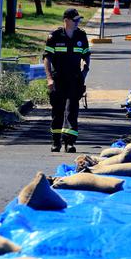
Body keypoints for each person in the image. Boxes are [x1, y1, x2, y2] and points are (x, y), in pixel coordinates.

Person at [43, 8, 90, 153]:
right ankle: (56, 141)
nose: (78, 23)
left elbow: (86, 56)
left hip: (75, 79)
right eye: (75, 20)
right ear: (66, 20)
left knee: (72, 111)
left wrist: (84, 72)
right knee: (58, 111)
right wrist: (49, 78)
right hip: (58, 79)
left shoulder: (81, 35)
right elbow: (47, 58)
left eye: (79, 20)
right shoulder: (55, 36)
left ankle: (69, 142)